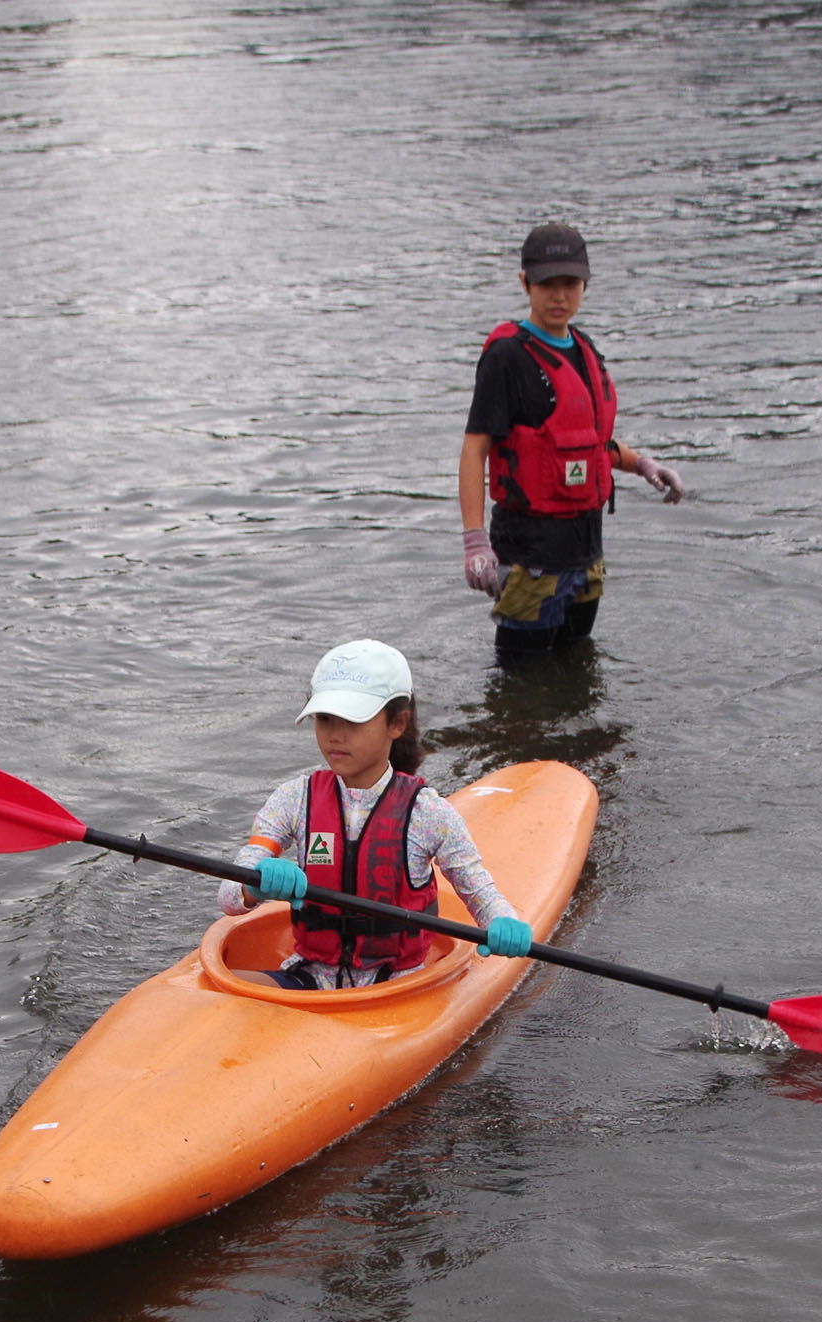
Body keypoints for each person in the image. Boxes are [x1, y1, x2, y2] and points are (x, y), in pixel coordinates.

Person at [216, 640, 534, 990]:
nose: (335, 734)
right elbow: (229, 898)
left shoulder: (428, 813)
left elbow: (482, 897)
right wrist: (252, 884)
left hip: (400, 985)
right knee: (216, 996)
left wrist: (504, 922)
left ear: (396, 723)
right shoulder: (293, 799)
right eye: (324, 718)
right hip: (309, 977)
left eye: (352, 720)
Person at [458, 223, 686, 660]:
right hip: (530, 556)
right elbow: (475, 448)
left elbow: (587, 441)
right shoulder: (507, 357)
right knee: (520, 681)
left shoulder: (584, 349)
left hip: (586, 555)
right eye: (547, 284)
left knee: (577, 668)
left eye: (570, 284)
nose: (559, 296)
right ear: (525, 283)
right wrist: (474, 540)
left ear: (585, 286)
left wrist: (643, 465)